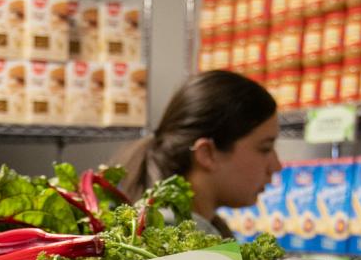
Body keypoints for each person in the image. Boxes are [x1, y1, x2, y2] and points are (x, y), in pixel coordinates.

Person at [114, 69, 282, 238]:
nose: (276, 166)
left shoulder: (202, 229)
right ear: (207, 154)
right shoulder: (174, 239)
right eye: (265, 148)